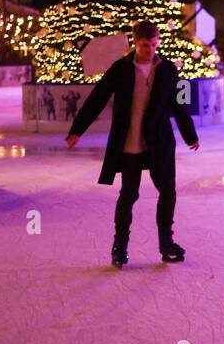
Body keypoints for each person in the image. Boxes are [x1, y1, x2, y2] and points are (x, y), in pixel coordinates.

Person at [65, 21, 200, 267]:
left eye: (154, 45)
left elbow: (179, 105)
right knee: (129, 194)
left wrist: (190, 135)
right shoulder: (121, 69)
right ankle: (120, 246)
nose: (150, 50)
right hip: (130, 144)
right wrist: (77, 130)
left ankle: (166, 242)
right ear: (135, 43)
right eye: (145, 45)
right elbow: (97, 99)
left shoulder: (168, 70)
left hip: (159, 142)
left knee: (168, 191)